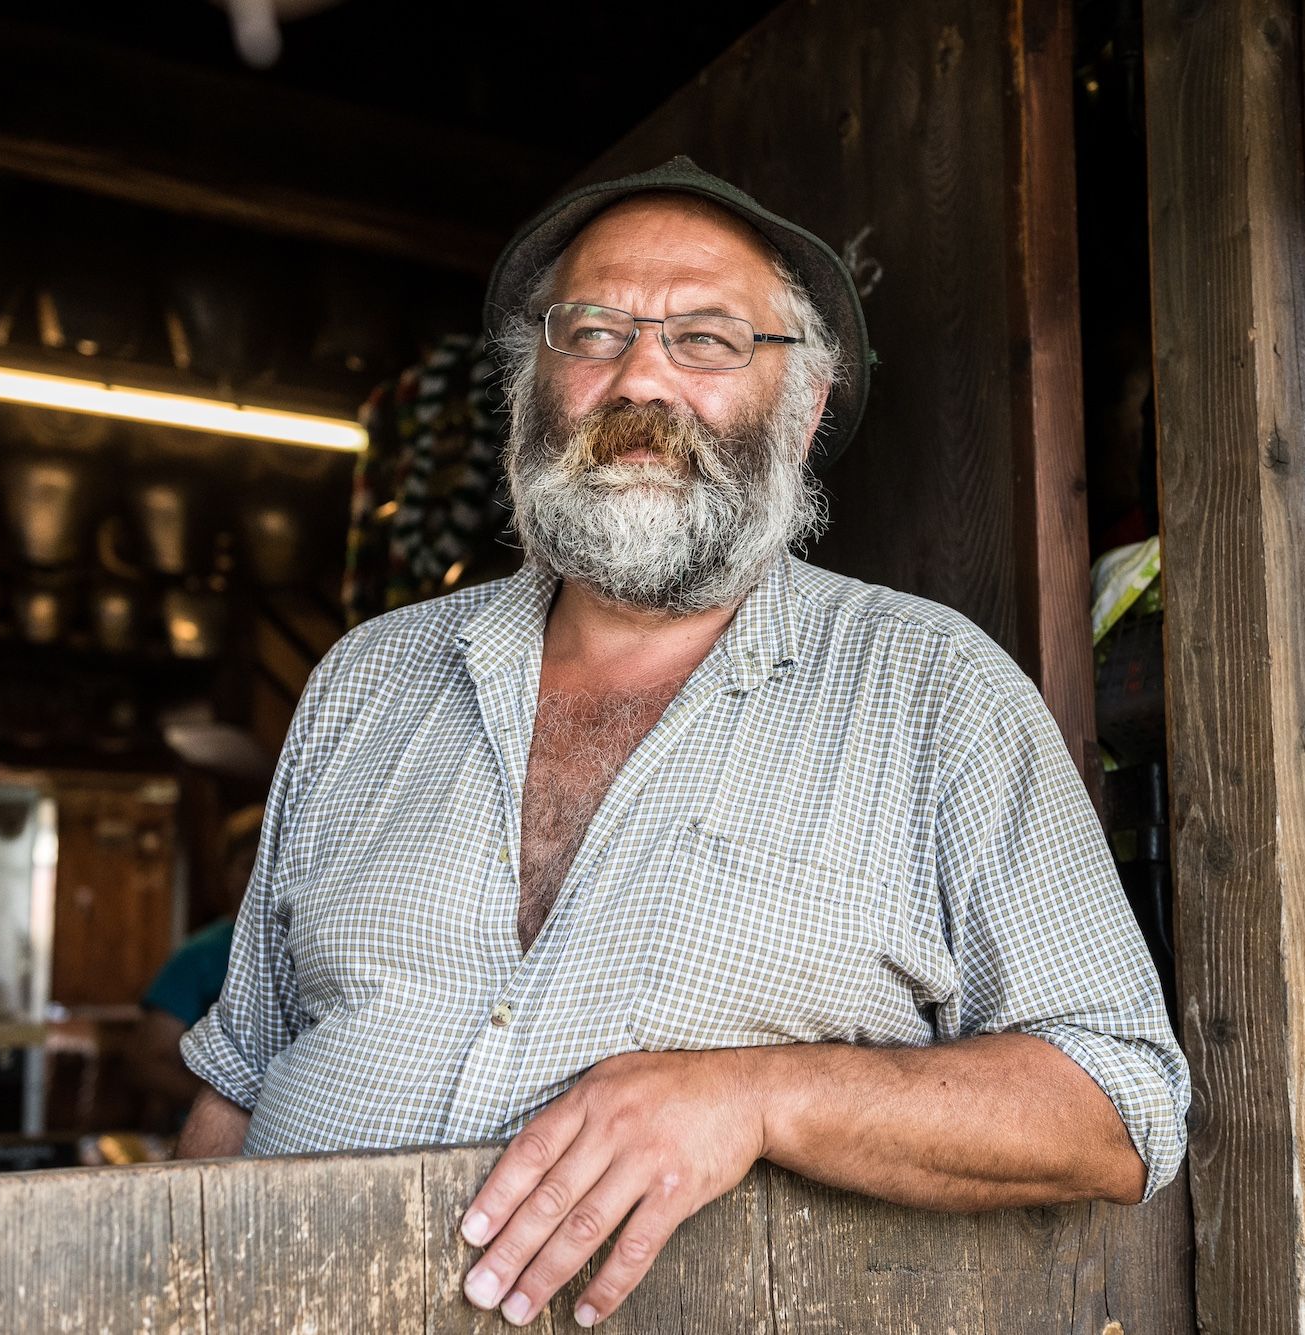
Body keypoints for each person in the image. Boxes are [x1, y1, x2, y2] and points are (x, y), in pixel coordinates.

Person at [177, 157, 1188, 1328]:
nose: (639, 376)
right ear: (533, 387)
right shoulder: (368, 679)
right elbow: (240, 1078)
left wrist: (756, 1100)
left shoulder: (932, 690)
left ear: (803, 408)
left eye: (707, 339)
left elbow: (1119, 1104)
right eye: (593, 331)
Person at [126, 808, 259, 1124]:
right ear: (225, 874)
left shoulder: (310, 949)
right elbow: (147, 1060)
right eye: (247, 865)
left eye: (271, 865)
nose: (259, 877)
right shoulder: (199, 955)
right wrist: (230, 1108)